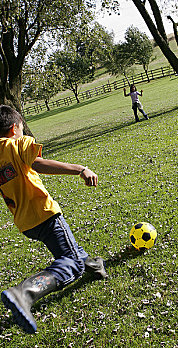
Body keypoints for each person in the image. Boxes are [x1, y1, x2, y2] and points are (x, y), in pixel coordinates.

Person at [0, 105, 107, 334]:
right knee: (71, 262)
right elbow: (38, 163)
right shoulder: (18, 143)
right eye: (20, 128)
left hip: (26, 223)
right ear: (13, 128)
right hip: (45, 214)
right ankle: (24, 293)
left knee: (68, 249)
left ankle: (94, 265)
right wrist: (80, 169)